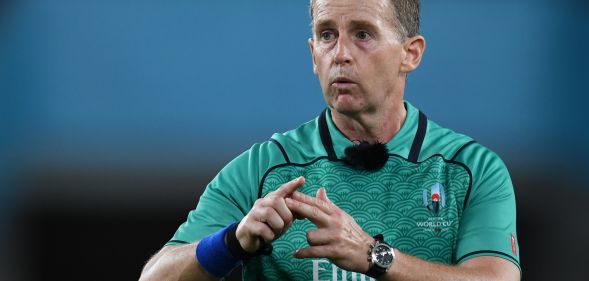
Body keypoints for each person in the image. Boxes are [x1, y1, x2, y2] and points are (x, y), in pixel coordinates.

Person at [139, 0, 521, 280]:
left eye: (362, 34)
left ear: (411, 53)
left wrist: (374, 256)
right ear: (312, 55)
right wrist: (232, 243)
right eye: (326, 35)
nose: (340, 54)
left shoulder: (471, 170)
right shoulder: (263, 168)